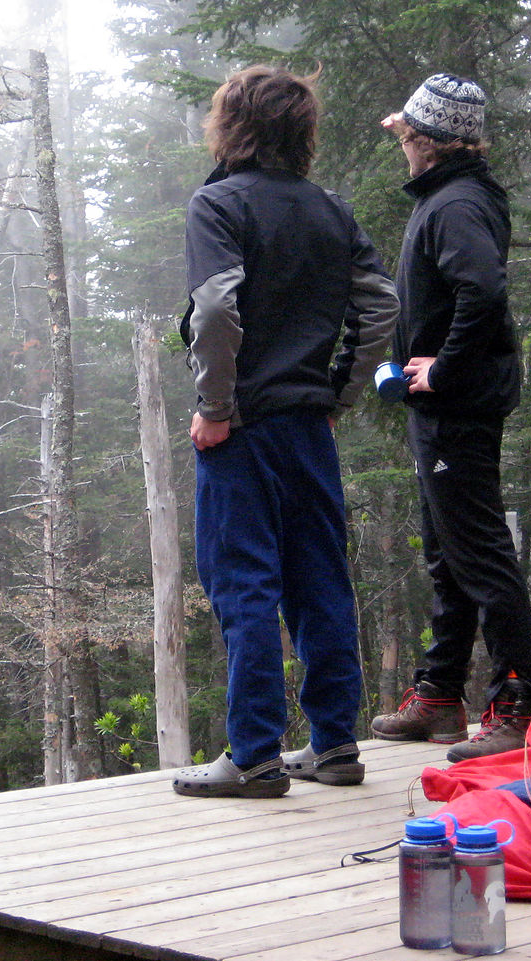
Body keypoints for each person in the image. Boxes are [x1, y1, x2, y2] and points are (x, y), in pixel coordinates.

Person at [170, 65, 399, 798]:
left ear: (231, 125)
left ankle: (257, 754)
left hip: (243, 429)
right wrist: (340, 392)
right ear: (300, 132)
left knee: (245, 584)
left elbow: (213, 312)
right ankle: (335, 745)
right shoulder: (332, 210)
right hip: (308, 426)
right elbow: (381, 307)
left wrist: (215, 407)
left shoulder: (219, 205)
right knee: (319, 579)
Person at [368, 73, 531, 763]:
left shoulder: (458, 203)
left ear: (432, 142)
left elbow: (484, 291)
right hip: (441, 408)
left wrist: (442, 367)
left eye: (407, 137)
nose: (402, 148)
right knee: (446, 550)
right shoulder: (449, 197)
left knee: (479, 552)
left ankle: (515, 705)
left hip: (457, 406)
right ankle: (440, 694)